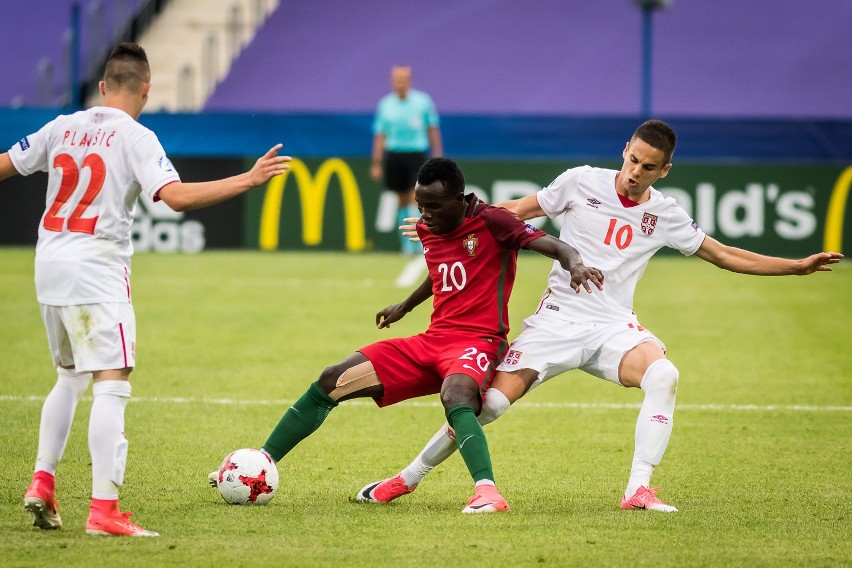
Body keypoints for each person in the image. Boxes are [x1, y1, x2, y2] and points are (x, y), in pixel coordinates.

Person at [357, 119, 843, 512]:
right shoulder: (580, 181)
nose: (635, 172)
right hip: (555, 322)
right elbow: (514, 211)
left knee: (664, 374)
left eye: (648, 167)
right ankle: (406, 479)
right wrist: (444, 221)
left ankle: (638, 489)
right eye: (632, 158)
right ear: (625, 149)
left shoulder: (667, 214)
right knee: (488, 408)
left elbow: (722, 254)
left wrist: (796, 268)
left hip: (613, 326)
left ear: (664, 170)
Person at [0, 42, 290, 537]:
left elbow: (5, 164)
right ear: (147, 89)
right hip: (96, 271)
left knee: (68, 376)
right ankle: (104, 510)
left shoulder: (60, 126)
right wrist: (248, 179)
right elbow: (174, 198)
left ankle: (43, 482)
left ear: (102, 86)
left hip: (48, 266)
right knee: (111, 383)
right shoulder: (136, 136)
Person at [210, 157, 603, 513]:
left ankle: (487, 492)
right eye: (420, 206)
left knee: (457, 396)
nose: (424, 216)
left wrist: (576, 265)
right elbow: (443, 274)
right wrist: (406, 306)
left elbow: (555, 245)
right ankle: (259, 463)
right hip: (432, 340)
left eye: (433, 206)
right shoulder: (428, 227)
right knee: (333, 379)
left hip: (478, 341)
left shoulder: (493, 221)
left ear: (459, 199)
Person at [370, 65, 442, 255]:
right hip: (395, 155)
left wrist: (437, 156)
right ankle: (406, 244)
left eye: (404, 78)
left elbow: (432, 129)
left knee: (414, 196)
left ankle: (418, 242)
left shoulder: (423, 101)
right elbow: (380, 135)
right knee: (401, 199)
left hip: (416, 154)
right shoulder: (386, 105)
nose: (400, 82)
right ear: (393, 81)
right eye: (397, 78)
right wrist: (376, 163)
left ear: (410, 80)